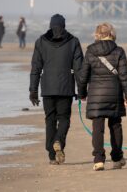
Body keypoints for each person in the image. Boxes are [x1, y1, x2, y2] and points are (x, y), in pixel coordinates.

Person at [29, 14, 84, 165]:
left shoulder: (41, 41)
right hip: (65, 88)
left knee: (50, 120)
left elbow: (36, 68)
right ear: (64, 26)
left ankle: (52, 156)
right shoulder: (73, 41)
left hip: (47, 88)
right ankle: (58, 140)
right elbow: (79, 69)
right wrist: (82, 90)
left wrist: (33, 90)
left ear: (50, 25)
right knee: (64, 118)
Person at [78, 22, 127, 171]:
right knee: (115, 126)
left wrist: (81, 94)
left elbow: (83, 76)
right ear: (111, 34)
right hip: (114, 94)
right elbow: (124, 75)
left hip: (96, 95)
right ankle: (116, 158)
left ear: (97, 34)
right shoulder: (119, 51)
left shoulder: (90, 51)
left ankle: (98, 160)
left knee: (98, 128)